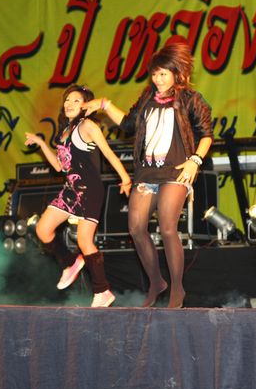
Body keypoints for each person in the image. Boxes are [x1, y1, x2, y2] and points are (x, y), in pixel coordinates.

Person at [85, 40, 213, 308]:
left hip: (176, 171)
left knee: (167, 227)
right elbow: (128, 124)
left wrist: (195, 161)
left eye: (163, 74)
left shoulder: (190, 99)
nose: (158, 79)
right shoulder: (147, 97)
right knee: (135, 228)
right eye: (154, 74)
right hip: (146, 173)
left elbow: (206, 135)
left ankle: (177, 288)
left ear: (177, 73)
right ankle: (156, 282)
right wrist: (105, 104)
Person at [25, 84, 132, 308]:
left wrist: (125, 178)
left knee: (84, 241)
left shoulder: (88, 126)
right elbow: (58, 167)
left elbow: (109, 153)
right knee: (42, 229)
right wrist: (41, 143)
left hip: (90, 190)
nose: (69, 104)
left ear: (86, 105)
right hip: (70, 190)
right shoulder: (64, 132)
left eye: (76, 100)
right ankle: (70, 262)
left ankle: (102, 291)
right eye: (67, 100)